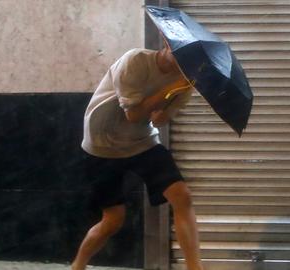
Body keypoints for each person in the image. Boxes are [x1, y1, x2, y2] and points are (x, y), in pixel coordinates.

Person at [71, 42, 204, 270]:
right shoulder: (135, 61)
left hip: (142, 142)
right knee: (112, 220)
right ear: (166, 44)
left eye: (190, 56)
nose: (184, 60)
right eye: (180, 51)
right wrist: (169, 89)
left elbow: (159, 121)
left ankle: (195, 268)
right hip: (103, 143)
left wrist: (163, 113)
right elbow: (133, 114)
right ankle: (78, 266)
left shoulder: (186, 81)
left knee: (182, 196)